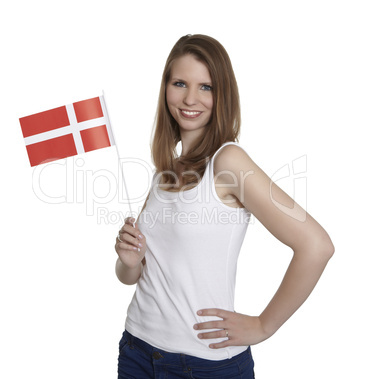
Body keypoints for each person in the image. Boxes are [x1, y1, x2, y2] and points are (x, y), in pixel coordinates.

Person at [114, 34, 334, 378]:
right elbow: (131, 276)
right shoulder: (164, 172)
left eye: (206, 87)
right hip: (137, 349)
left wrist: (263, 325)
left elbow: (316, 246)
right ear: (166, 89)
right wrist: (129, 261)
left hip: (202, 365)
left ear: (223, 95)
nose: (190, 98)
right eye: (180, 83)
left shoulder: (228, 161)